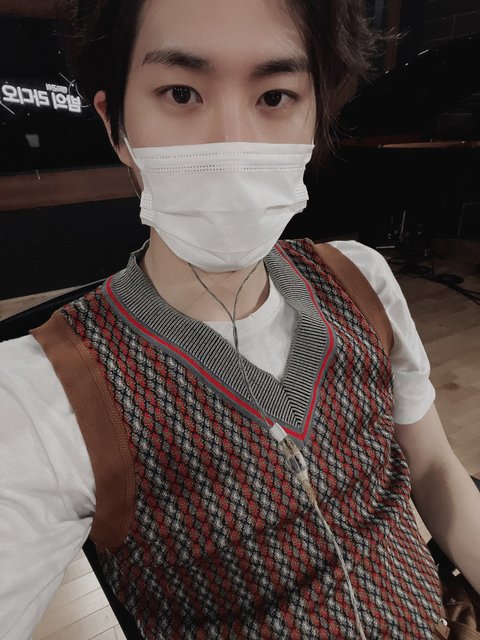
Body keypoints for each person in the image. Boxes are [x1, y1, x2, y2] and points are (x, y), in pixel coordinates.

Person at [1, 0, 479, 638]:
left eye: (275, 96)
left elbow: (435, 467)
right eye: (181, 93)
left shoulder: (361, 278)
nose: (232, 141)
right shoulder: (42, 396)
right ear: (116, 126)